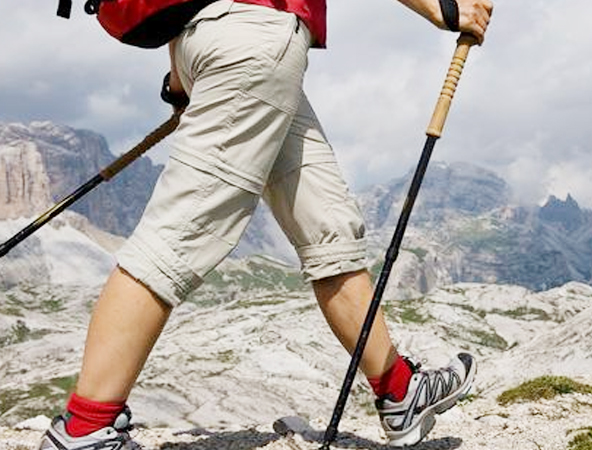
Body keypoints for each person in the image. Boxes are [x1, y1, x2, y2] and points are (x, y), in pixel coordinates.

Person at [38, 0, 492, 448]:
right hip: (255, 41)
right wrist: (442, 8)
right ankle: (84, 429)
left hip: (228, 44)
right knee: (177, 237)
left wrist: (182, 80)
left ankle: (399, 392)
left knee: (327, 226)